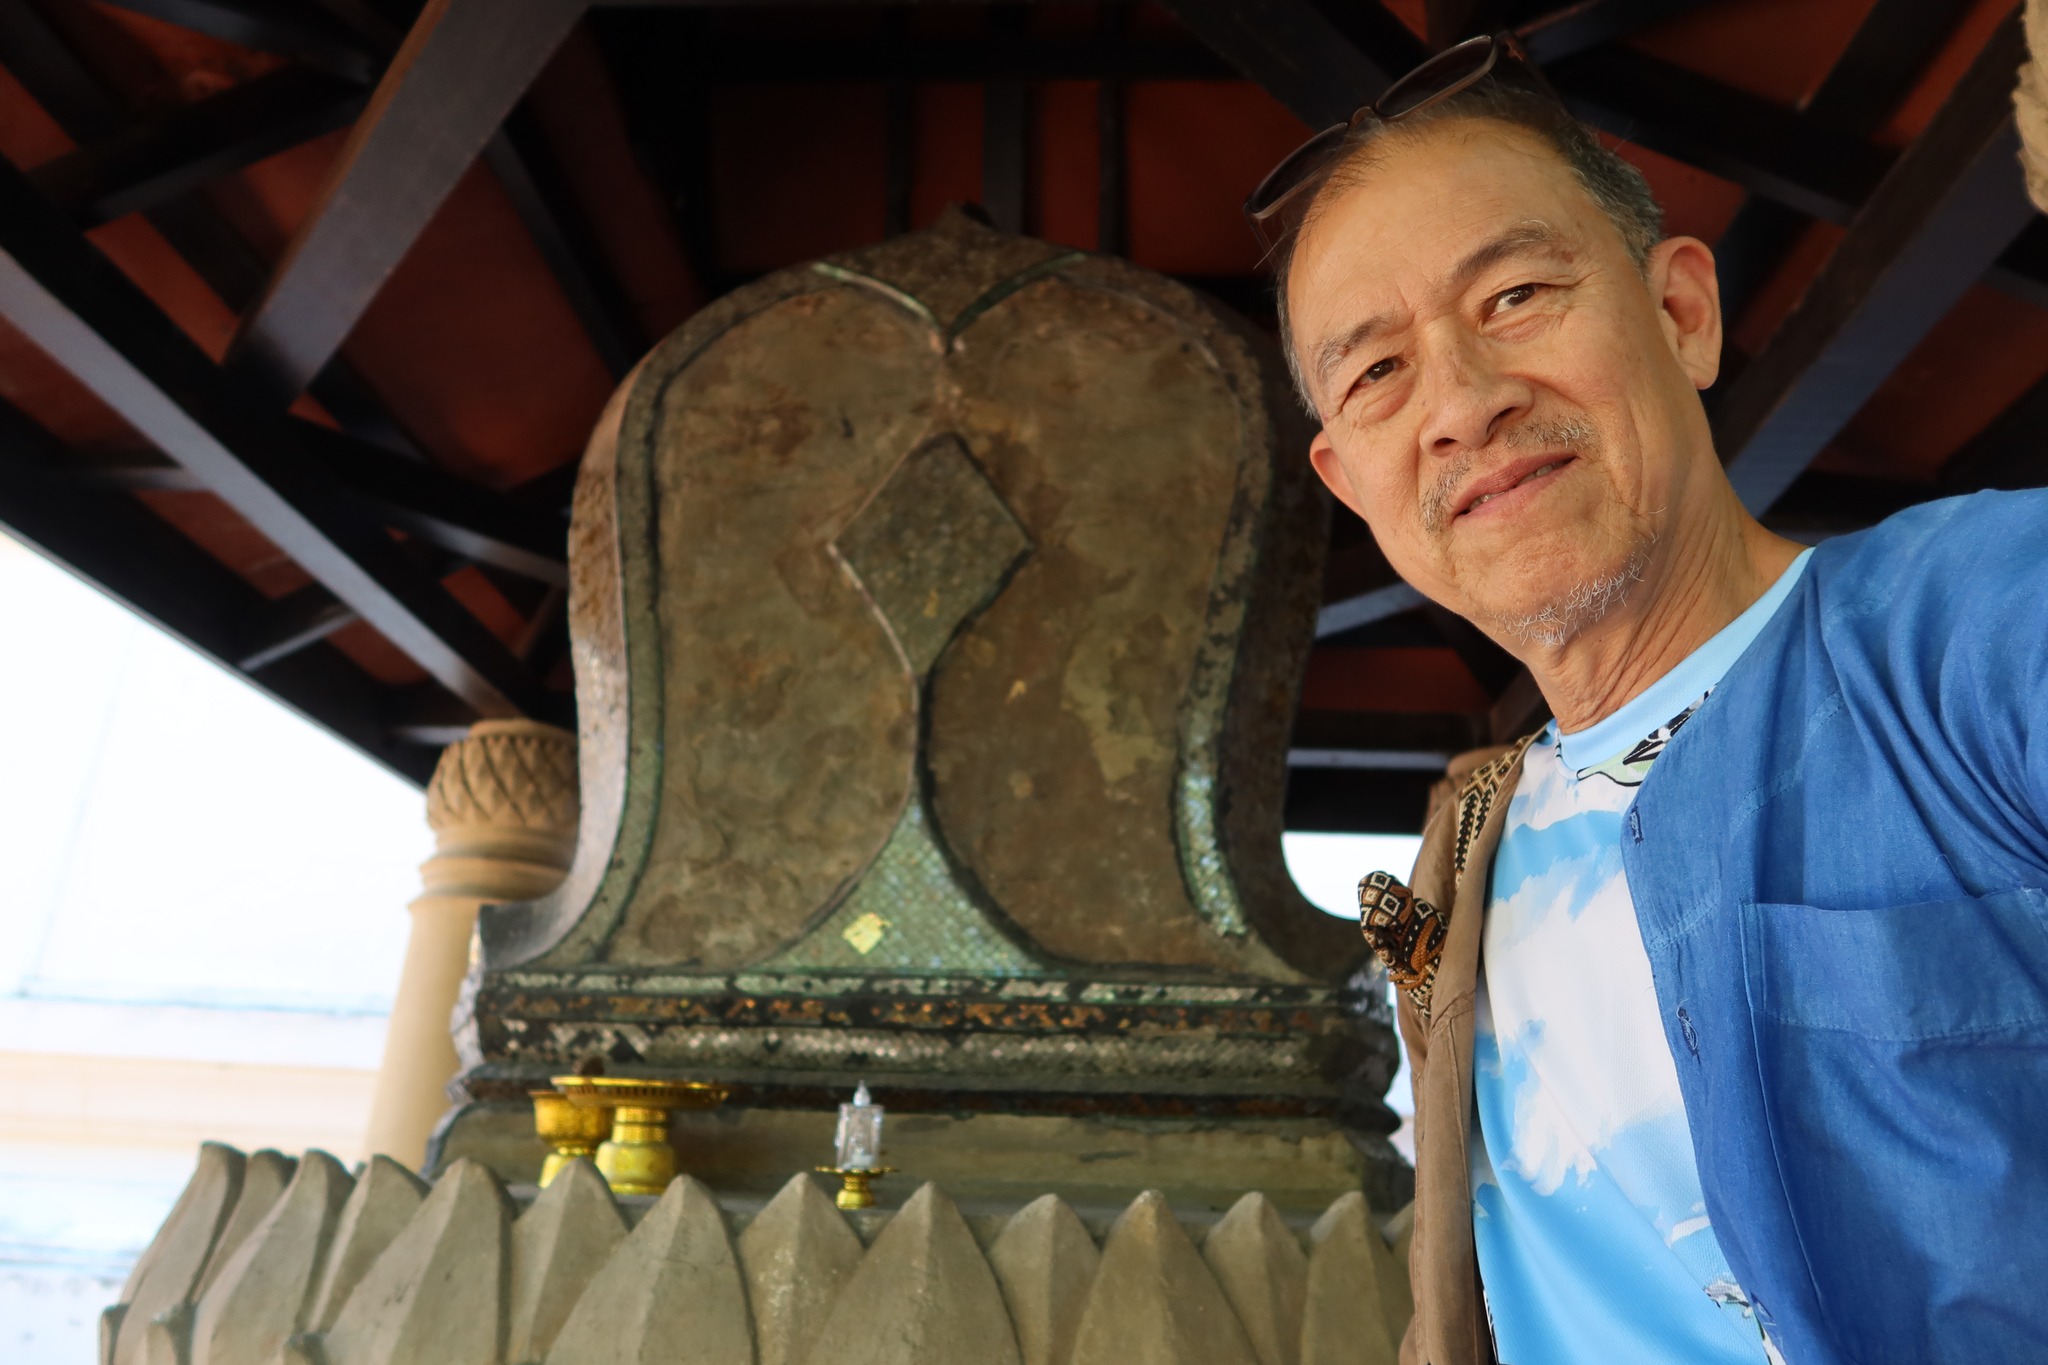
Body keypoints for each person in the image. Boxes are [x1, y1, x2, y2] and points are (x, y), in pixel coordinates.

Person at [1253, 32, 2048, 1365]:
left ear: (1683, 313)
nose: (1461, 405)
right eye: (1377, 370)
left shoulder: (1974, 624)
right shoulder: (1463, 850)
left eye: (1514, 296)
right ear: (1349, 481)